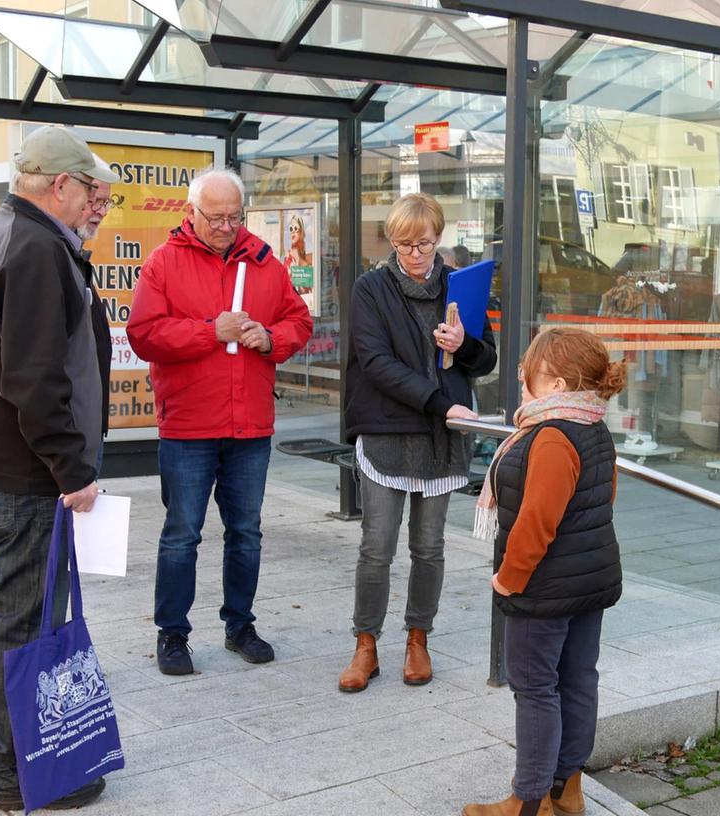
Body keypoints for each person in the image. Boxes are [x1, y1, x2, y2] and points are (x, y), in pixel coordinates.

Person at [0, 126, 117, 812]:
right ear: (59, 184)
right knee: (22, 625)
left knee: (1, 617)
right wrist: (73, 470)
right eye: (89, 192)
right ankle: (19, 775)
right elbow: (34, 380)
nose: (95, 205)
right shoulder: (38, 247)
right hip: (21, 474)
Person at [127, 168, 312, 676]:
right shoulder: (165, 262)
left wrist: (271, 339)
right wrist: (213, 331)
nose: (226, 225)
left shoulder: (265, 262)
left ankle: (239, 625)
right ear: (192, 212)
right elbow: (144, 333)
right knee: (182, 533)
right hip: (188, 425)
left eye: (234, 216)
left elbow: (299, 320)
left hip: (249, 424)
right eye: (216, 217)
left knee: (246, 532)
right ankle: (172, 634)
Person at [462, 327, 624, 816]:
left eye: (530, 368)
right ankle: (566, 788)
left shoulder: (551, 435)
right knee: (577, 680)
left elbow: (537, 521)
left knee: (535, 689)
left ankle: (528, 801)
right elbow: (602, 500)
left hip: (545, 587)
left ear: (556, 383)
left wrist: (509, 578)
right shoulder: (591, 424)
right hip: (589, 578)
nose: (521, 375)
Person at [338, 192, 496, 693]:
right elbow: (377, 364)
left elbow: (485, 360)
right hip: (389, 430)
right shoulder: (371, 289)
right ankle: (366, 644)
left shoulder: (459, 285)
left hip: (440, 436)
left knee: (429, 547)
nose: (414, 254)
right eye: (404, 244)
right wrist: (439, 402)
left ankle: (418, 639)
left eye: (424, 244)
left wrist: (463, 344)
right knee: (376, 546)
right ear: (391, 241)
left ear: (439, 239)